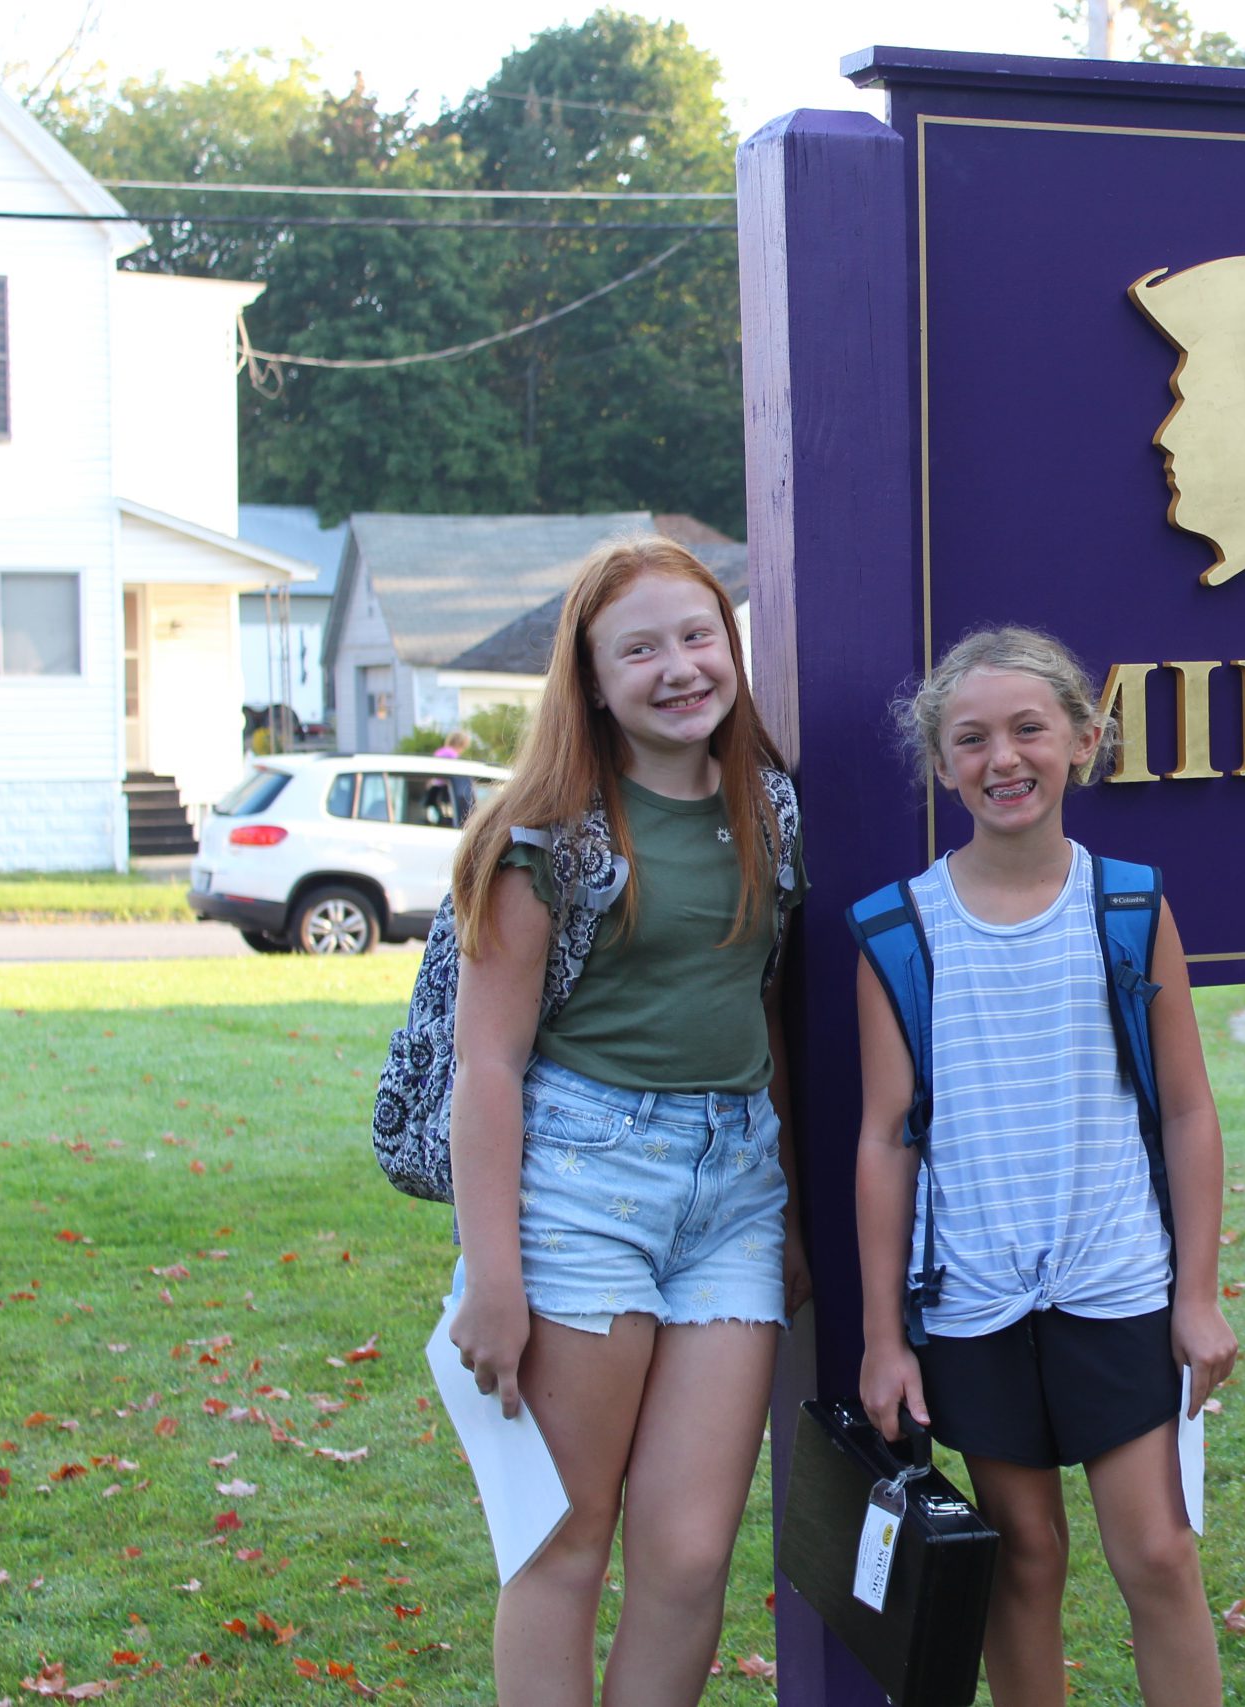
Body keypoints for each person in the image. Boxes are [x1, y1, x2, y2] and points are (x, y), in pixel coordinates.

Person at [443, 535, 807, 1707]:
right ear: (591, 680)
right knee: (566, 1539)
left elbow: (765, 1009)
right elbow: (486, 1066)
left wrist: (790, 1203)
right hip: (583, 1188)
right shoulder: (545, 835)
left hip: (735, 1190)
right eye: (638, 649)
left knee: (692, 1553)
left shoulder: (771, 807)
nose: (679, 668)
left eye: (698, 636)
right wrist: (494, 1277)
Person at [855, 626, 1236, 1707]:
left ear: (1083, 738)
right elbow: (886, 1139)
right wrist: (887, 1340)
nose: (1002, 758)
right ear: (941, 765)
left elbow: (1189, 1111)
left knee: (1156, 1553)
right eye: (970, 739)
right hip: (974, 1299)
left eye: (1029, 729)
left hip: (1113, 1282)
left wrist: (1197, 1295)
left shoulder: (1125, 907)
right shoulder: (900, 932)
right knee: (1024, 1563)